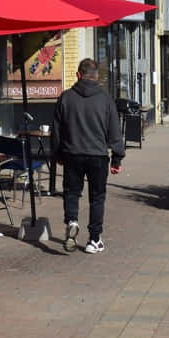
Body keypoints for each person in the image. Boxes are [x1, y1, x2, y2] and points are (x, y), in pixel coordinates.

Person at [50, 58, 126, 254]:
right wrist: (117, 158)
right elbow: (115, 132)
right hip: (98, 156)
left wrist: (57, 153)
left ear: (78, 75)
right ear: (97, 76)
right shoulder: (106, 99)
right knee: (97, 197)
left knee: (72, 192)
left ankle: (72, 221)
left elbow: (56, 131)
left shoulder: (65, 98)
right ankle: (94, 240)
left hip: (72, 154)